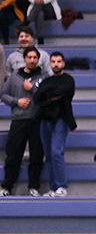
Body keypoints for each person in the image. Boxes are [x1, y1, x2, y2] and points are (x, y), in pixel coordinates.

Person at [1, 45, 49, 197]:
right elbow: (3, 95)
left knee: (36, 155)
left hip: (37, 120)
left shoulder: (44, 77)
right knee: (13, 155)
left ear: (38, 59)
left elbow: (47, 97)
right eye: (29, 57)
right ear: (24, 59)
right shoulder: (14, 76)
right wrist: (16, 101)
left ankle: (34, 187)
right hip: (19, 119)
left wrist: (33, 88)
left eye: (35, 57)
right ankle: (7, 186)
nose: (32, 60)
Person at [32, 51, 75, 197]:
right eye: (53, 62)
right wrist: (51, 96)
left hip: (61, 119)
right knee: (49, 155)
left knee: (57, 152)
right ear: (50, 63)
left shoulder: (68, 80)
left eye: (59, 61)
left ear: (63, 63)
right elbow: (37, 97)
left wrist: (47, 95)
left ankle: (62, 186)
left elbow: (64, 91)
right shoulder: (46, 81)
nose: (56, 64)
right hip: (45, 120)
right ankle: (53, 187)